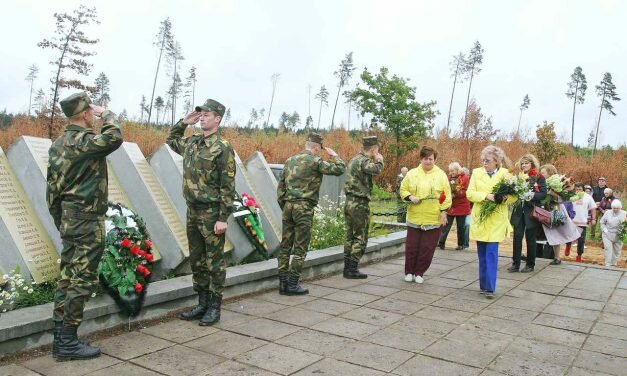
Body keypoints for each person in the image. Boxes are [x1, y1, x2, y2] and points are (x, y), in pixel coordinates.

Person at [47, 92, 123, 360]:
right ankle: (68, 342)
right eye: (91, 112)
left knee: (67, 275)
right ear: (85, 115)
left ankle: (60, 338)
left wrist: (60, 219)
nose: (94, 115)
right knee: (82, 278)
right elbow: (115, 137)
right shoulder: (87, 142)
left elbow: (52, 188)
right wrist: (108, 115)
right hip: (88, 220)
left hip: (69, 218)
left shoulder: (57, 144)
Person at [168, 99, 235, 326]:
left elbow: (228, 185)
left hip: (211, 212)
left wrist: (222, 218)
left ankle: (214, 307)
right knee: (197, 260)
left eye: (207, 114)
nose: (203, 117)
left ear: (217, 119)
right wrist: (184, 122)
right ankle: (202, 302)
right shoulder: (193, 142)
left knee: (214, 262)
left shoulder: (222, 147)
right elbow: (171, 140)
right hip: (192, 210)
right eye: (201, 114)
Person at [277, 133, 345, 294]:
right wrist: (335, 155)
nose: (319, 152)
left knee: (285, 246)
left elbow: (281, 188)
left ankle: (282, 284)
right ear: (316, 147)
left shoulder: (289, 160)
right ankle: (292, 285)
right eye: (319, 150)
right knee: (300, 248)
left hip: (288, 206)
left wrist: (285, 205)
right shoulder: (316, 161)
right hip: (304, 208)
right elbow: (340, 169)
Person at [399, 146, 451, 284]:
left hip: (433, 218)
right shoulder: (412, 174)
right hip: (415, 216)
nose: (428, 161)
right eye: (425, 158)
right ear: (420, 159)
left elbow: (446, 196)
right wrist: (410, 197)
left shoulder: (441, 175)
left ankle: (419, 272)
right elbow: (403, 189)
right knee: (412, 247)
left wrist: (443, 212)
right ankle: (409, 271)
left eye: (430, 159)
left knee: (427, 248)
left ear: (435, 160)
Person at [467, 145, 513, 299]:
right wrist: (485, 196)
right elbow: (470, 193)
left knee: (491, 252)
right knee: (482, 255)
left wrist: (505, 198)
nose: (484, 163)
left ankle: (490, 288)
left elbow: (515, 195)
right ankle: (483, 285)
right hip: (481, 217)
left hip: (497, 218)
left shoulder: (506, 174)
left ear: (497, 162)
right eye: (483, 160)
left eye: (487, 161)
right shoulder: (476, 173)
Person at [343, 136, 384, 279]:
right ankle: (352, 269)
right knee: (360, 236)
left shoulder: (354, 159)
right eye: (377, 150)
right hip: (359, 203)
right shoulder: (364, 161)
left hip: (349, 202)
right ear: (373, 149)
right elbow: (376, 169)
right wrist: (380, 159)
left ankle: (347, 267)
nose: (377, 152)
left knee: (350, 236)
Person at [508, 155, 547, 272]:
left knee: (530, 238)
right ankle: (516, 263)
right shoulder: (518, 176)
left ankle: (530, 264)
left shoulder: (538, 177)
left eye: (526, 163)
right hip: (519, 210)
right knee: (517, 236)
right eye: (522, 163)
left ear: (532, 164)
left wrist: (532, 196)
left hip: (531, 211)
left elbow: (543, 193)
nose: (524, 165)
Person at [538, 164, 582, 265]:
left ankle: (557, 257)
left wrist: (553, 195)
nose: (541, 174)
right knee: (548, 234)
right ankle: (552, 257)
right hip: (543, 211)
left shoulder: (558, 182)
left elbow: (563, 198)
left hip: (556, 210)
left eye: (543, 172)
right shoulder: (541, 183)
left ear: (550, 172)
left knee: (555, 233)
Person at [438, 162, 471, 250]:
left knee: (460, 227)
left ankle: (461, 244)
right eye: (450, 171)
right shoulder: (448, 178)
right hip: (451, 205)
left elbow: (466, 191)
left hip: (462, 206)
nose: (450, 173)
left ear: (457, 170)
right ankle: (441, 243)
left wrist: (454, 194)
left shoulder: (466, 178)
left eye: (452, 171)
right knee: (446, 225)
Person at [567, 183, 597, 262]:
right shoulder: (571, 196)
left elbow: (593, 208)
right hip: (571, 221)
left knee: (581, 240)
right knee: (569, 237)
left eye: (580, 189)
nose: (578, 191)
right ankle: (568, 246)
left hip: (582, 222)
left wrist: (593, 219)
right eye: (576, 189)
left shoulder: (588, 197)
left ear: (583, 189)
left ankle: (579, 255)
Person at [601, 200, 626, 266]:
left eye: (617, 208)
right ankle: (608, 264)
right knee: (608, 249)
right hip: (607, 233)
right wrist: (605, 230)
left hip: (619, 234)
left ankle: (613, 263)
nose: (615, 209)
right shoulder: (607, 213)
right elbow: (602, 222)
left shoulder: (624, 213)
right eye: (614, 208)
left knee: (617, 250)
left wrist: (624, 230)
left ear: (620, 208)